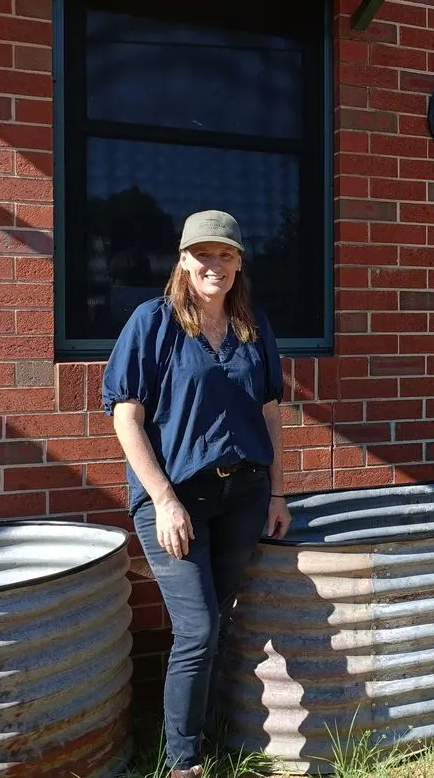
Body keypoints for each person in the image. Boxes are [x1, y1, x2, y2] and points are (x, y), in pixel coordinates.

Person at [104, 210, 291, 777]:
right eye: (203, 254)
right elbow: (126, 419)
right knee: (198, 628)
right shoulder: (153, 322)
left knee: (221, 621)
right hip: (175, 500)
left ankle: (209, 738)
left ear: (239, 263)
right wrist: (162, 499)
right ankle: (182, 763)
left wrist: (278, 493)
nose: (215, 265)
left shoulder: (253, 325)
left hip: (243, 497)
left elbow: (270, 414)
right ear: (183, 260)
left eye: (226, 255)